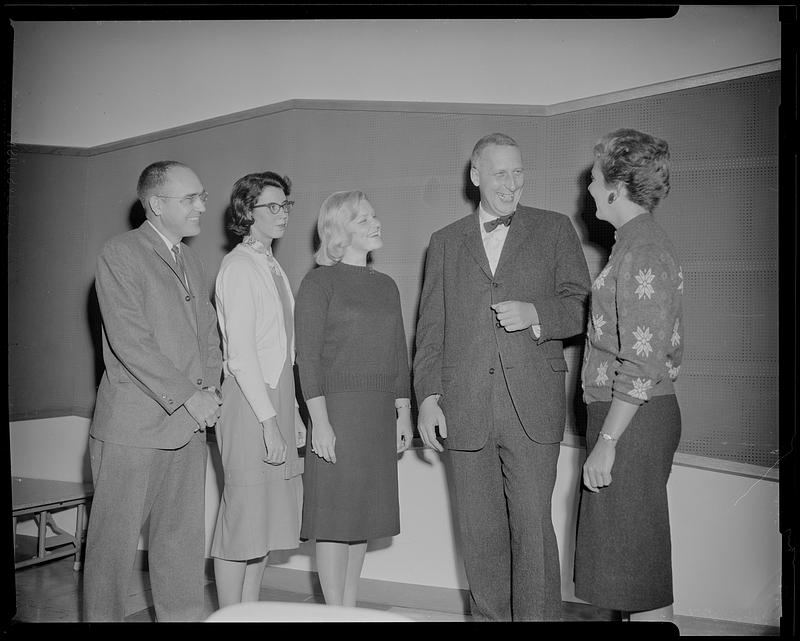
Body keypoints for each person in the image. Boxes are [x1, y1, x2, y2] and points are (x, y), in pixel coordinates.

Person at [414, 133, 590, 621]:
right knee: (480, 534)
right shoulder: (444, 242)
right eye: (499, 173)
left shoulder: (553, 229)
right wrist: (428, 397)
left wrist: (536, 312)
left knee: (532, 531)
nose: (511, 183)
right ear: (475, 176)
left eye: (518, 171)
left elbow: (580, 306)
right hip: (465, 408)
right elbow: (430, 329)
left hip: (532, 408)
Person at [84, 160, 223, 621]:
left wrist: (210, 392)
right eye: (191, 198)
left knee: (181, 547)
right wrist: (191, 395)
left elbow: (208, 336)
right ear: (157, 205)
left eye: (202, 195)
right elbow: (131, 342)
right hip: (133, 429)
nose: (203, 205)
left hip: (188, 426)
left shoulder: (193, 260)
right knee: (112, 553)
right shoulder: (121, 253)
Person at [574, 128, 683, 622]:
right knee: (627, 573)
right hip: (627, 417)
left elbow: (642, 360)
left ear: (617, 186)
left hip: (631, 422)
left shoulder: (642, 250)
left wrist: (609, 441)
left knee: (639, 578)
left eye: (595, 180)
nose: (590, 189)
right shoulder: (631, 244)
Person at [294, 190, 413, 607]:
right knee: (333, 519)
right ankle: (334, 613)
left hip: (378, 414)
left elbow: (399, 352)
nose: (375, 223)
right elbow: (306, 358)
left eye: (373, 216)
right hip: (337, 412)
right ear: (339, 231)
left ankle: (348, 607)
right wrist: (320, 422)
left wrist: (403, 410)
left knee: (361, 515)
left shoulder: (387, 286)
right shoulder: (318, 282)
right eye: (363, 220)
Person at [211, 172, 306, 608]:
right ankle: (229, 615)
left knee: (265, 520)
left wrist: (294, 414)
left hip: (275, 399)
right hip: (251, 405)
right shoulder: (238, 266)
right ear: (247, 212)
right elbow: (242, 357)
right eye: (273, 206)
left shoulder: (270, 264)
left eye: (286, 205)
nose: (283, 213)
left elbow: (281, 348)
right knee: (244, 521)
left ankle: (247, 613)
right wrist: (269, 421)